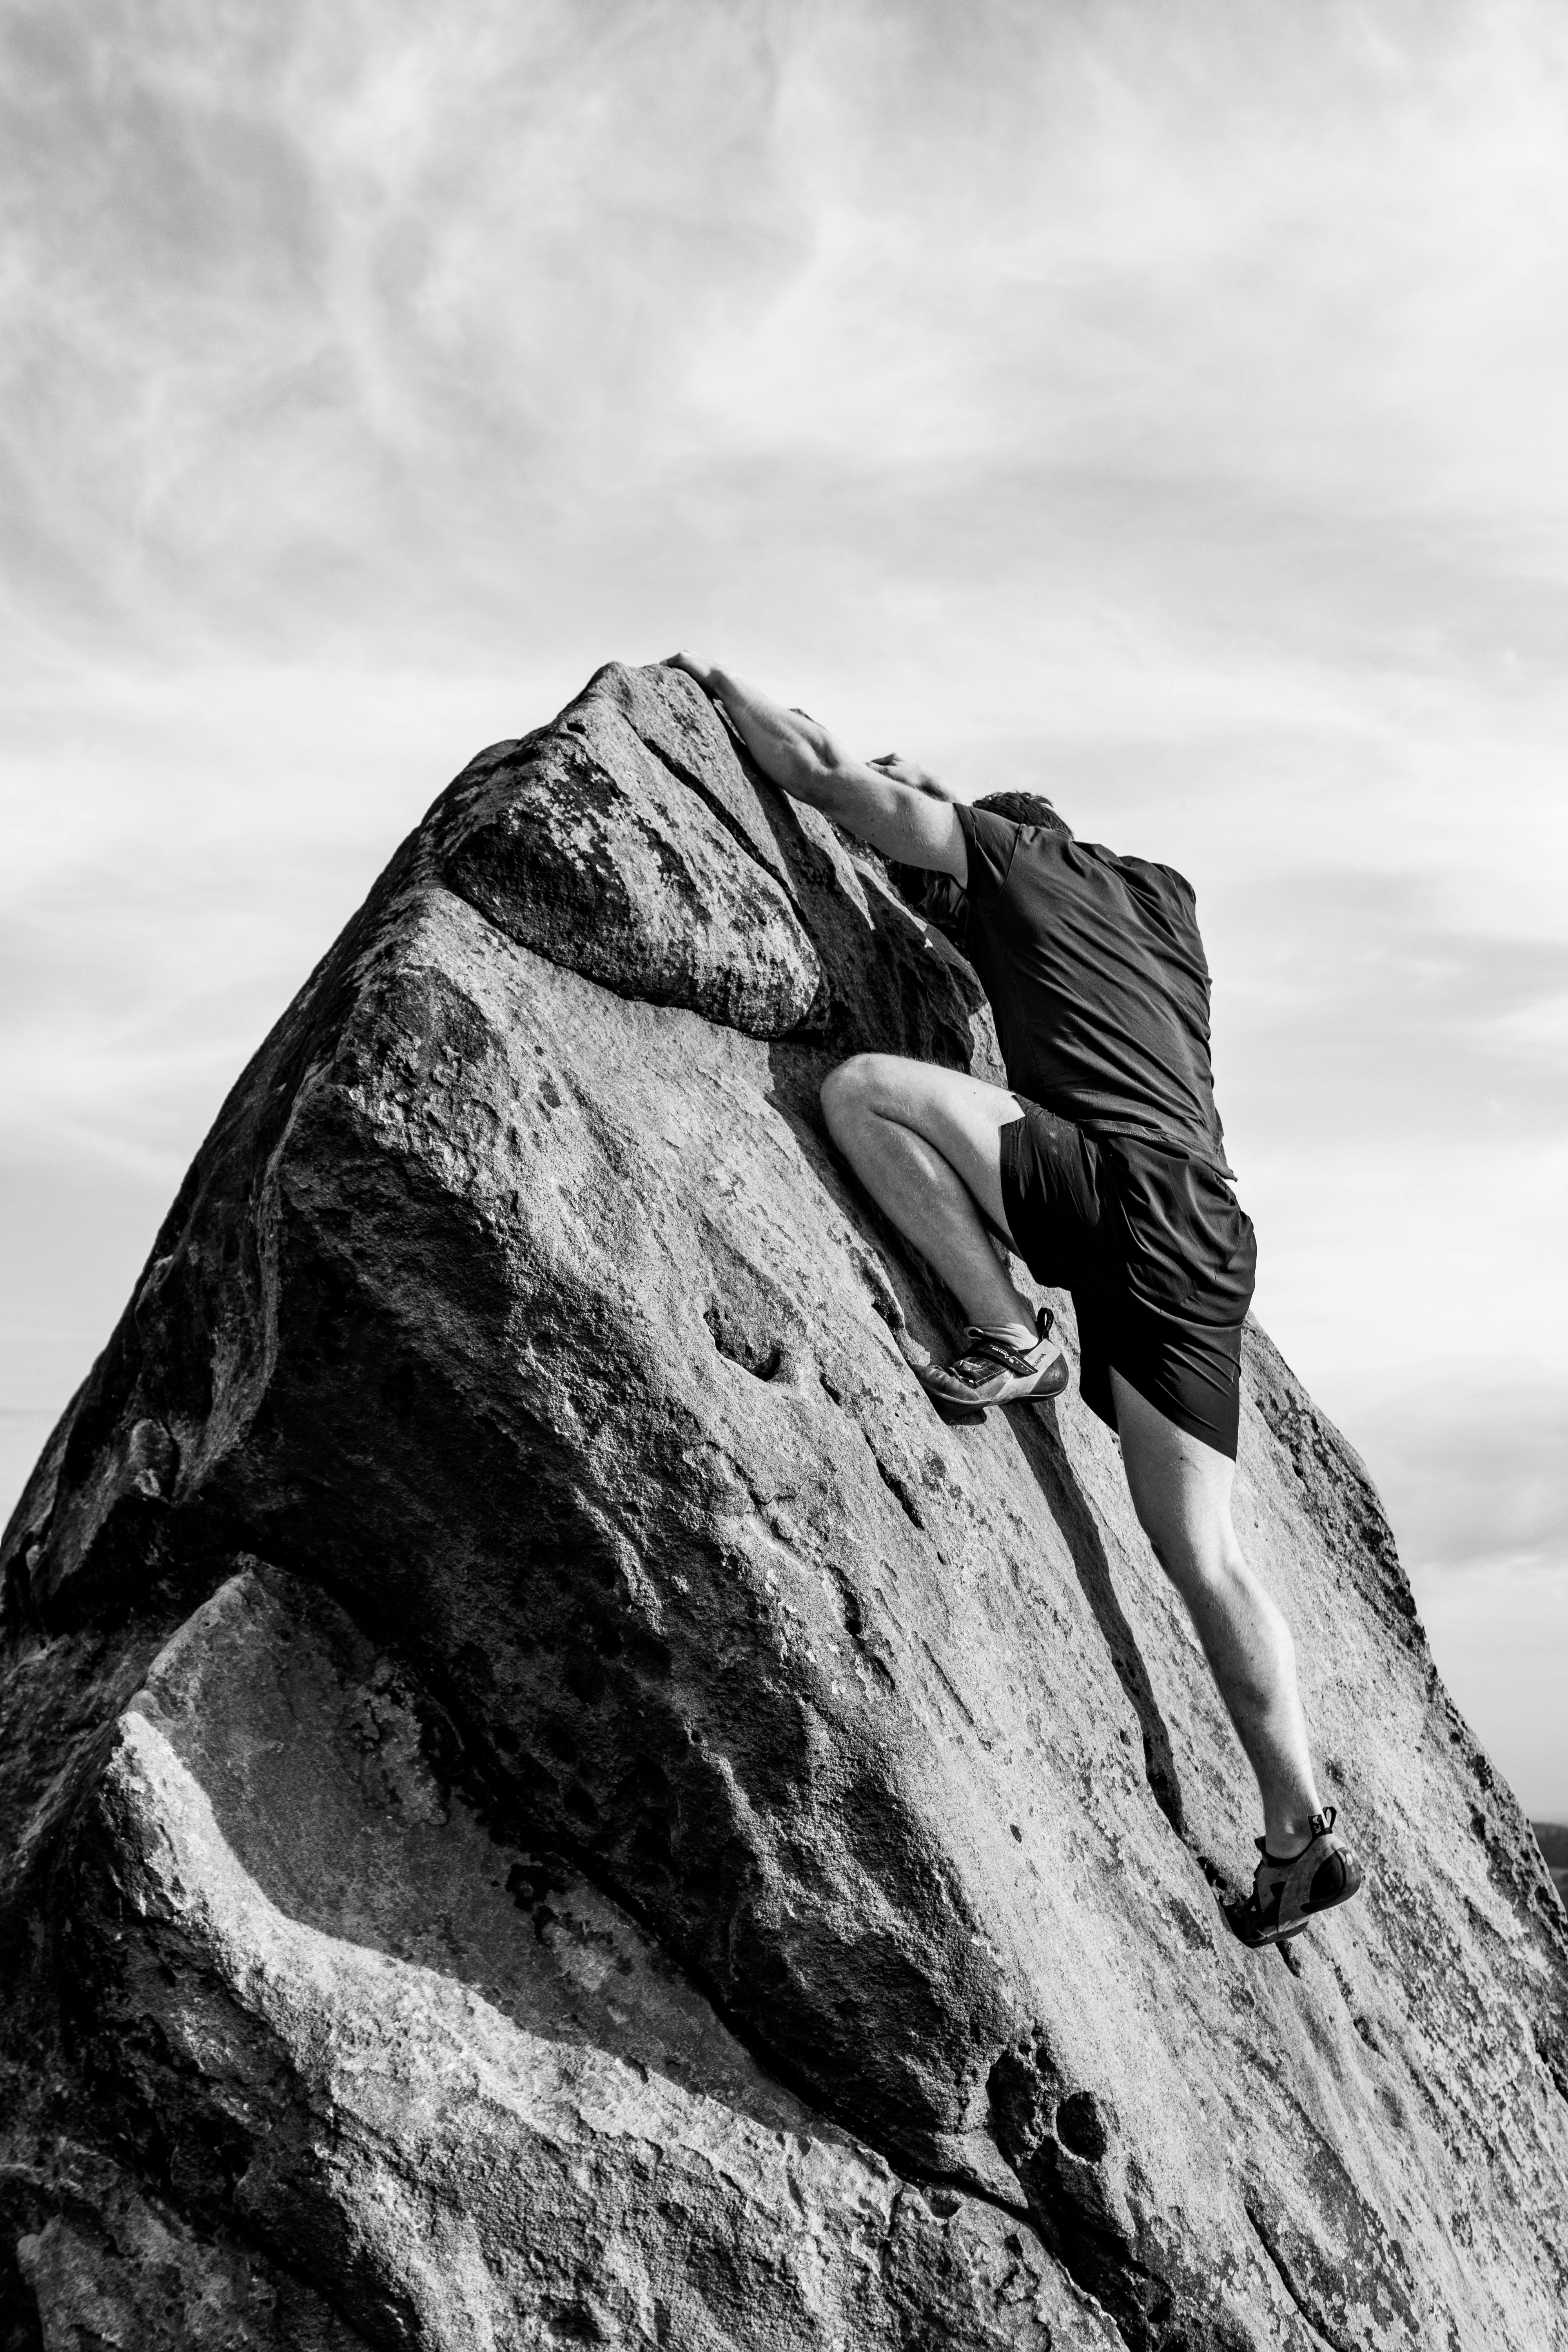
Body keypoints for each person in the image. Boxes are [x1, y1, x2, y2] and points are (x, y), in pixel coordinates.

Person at [667, 650, 1362, 1951]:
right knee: (1204, 1556)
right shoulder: (1165, 904)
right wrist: (953, 797)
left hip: (1114, 1191)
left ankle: (1008, 1330)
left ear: (994, 846)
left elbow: (835, 779)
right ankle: (1299, 1835)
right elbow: (957, 804)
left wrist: (714, 683)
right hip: (1210, 1232)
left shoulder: (1013, 864)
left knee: (863, 1092)